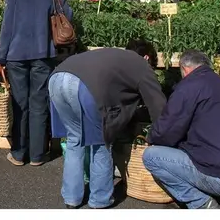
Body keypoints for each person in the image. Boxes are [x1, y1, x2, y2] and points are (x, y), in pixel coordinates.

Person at [142, 50, 220, 209]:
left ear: (184, 68)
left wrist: (150, 137)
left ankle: (203, 205)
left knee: (151, 156)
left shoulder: (188, 87)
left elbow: (166, 131)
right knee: (217, 151)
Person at [49, 40, 167, 209]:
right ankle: (100, 200)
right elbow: (158, 106)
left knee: (75, 140)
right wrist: (162, 135)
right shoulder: (141, 64)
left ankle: (71, 199)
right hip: (84, 86)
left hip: (57, 77)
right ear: (147, 57)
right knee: (101, 143)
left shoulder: (114, 56)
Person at [0, 0, 71, 167]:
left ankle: (19, 153)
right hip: (44, 52)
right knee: (39, 103)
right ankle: (38, 155)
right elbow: (67, 15)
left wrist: (1, 58)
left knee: (20, 104)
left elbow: (7, 26)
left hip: (16, 53)